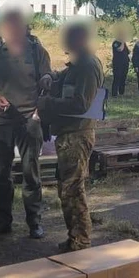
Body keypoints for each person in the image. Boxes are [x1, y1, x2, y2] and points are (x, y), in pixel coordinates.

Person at [0, 10, 50, 240]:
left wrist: (41, 108)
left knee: (31, 173)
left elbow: (48, 83)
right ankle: (3, 221)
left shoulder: (37, 51)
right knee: (1, 175)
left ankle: (34, 222)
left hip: (30, 120)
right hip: (2, 121)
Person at [37, 22, 103, 252]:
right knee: (66, 188)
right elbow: (62, 77)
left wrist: (46, 103)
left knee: (73, 190)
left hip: (77, 135)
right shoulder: (77, 64)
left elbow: (80, 103)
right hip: (68, 134)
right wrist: (50, 78)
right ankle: (74, 236)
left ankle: (81, 240)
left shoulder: (86, 65)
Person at [110, 28, 130, 97]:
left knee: (123, 78)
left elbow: (128, 52)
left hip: (125, 63)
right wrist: (122, 42)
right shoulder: (115, 43)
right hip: (117, 64)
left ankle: (121, 92)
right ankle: (114, 93)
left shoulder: (124, 43)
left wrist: (124, 43)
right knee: (117, 77)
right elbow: (120, 49)